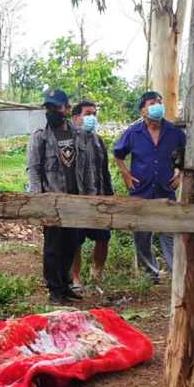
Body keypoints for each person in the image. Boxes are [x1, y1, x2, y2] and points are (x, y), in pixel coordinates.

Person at [27, 88, 99, 304]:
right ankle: (55, 290)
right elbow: (34, 168)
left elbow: (88, 169)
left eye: (56, 107)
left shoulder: (79, 135)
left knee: (72, 244)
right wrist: (38, 200)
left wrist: (91, 196)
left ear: (67, 109)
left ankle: (66, 285)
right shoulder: (40, 136)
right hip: (52, 201)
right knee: (53, 247)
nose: (51, 111)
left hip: (76, 200)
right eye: (48, 107)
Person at [112, 91, 186, 282]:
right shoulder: (133, 132)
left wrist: (180, 174)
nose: (157, 105)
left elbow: (186, 155)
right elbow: (118, 153)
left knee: (169, 232)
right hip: (141, 190)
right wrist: (126, 174)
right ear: (143, 110)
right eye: (152, 102)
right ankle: (149, 274)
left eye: (159, 102)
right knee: (142, 234)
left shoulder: (174, 132)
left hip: (165, 189)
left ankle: (175, 273)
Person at [70, 100, 112, 289]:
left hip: (99, 197)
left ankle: (97, 273)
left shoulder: (98, 141)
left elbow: (105, 170)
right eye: (88, 114)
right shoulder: (69, 140)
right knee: (76, 240)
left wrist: (109, 195)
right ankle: (76, 277)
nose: (92, 118)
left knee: (103, 237)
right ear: (76, 117)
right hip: (78, 198)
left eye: (94, 114)